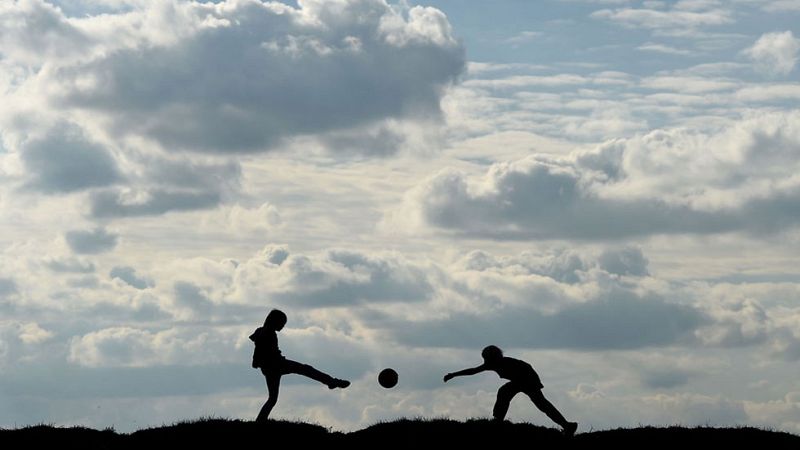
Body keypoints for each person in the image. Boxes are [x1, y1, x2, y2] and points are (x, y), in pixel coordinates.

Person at [443, 345, 578, 437]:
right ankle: (498, 420)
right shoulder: (492, 363)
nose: (485, 361)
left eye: (486, 358)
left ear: (494, 357)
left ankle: (567, 426)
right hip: (522, 379)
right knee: (508, 393)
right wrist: (454, 374)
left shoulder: (504, 362)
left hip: (528, 378)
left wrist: (524, 384)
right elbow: (473, 371)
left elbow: (525, 370)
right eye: (484, 359)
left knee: (540, 404)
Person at [250, 309, 350, 422]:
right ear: (275, 321)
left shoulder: (263, 331)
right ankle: (332, 382)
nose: (283, 326)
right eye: (282, 323)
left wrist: (256, 361)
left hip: (270, 367)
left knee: (273, 398)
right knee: (306, 369)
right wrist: (257, 360)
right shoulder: (267, 332)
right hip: (276, 364)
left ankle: (260, 421)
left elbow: (257, 344)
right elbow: (259, 347)